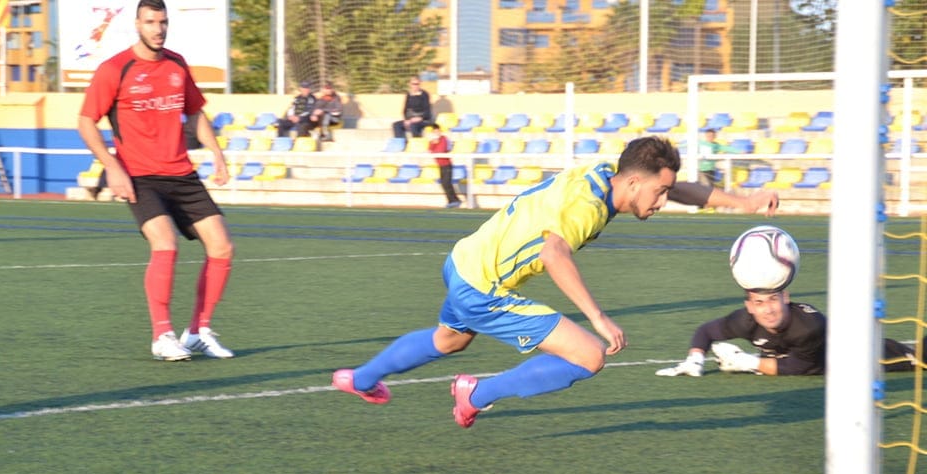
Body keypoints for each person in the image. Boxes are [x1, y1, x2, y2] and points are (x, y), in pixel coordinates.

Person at [331, 136, 775, 428]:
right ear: (635, 182)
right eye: (658, 193)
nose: (662, 201)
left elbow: (682, 189)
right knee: (588, 355)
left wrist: (745, 202)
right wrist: (598, 317)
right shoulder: (589, 208)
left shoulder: (606, 173)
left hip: (465, 258)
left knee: (449, 340)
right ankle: (475, 392)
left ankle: (362, 378)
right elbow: (554, 253)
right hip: (485, 287)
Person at [78, 0, 236, 362]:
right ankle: (162, 334)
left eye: (163, 22)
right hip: (140, 175)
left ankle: (198, 332)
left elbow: (194, 113)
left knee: (223, 247)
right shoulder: (115, 68)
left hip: (182, 174)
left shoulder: (177, 64)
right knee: (165, 244)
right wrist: (111, 167)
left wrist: (217, 154)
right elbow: (86, 121)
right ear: (137, 24)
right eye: (150, 22)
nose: (158, 29)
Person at [655, 289, 919, 376]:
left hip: (857, 354)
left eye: (773, 300)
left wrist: (748, 362)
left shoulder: (808, 326)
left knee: (918, 359)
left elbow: (799, 367)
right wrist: (695, 359)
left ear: (786, 299)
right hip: (814, 361)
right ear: (750, 306)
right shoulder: (745, 320)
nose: (767, 310)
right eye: (759, 303)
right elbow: (707, 330)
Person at [426, 123, 461, 209]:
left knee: (446, 183)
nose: (436, 133)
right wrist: (434, 143)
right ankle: (453, 201)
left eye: (437, 131)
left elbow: (441, 150)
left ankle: (454, 200)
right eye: (434, 132)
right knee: (444, 183)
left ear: (440, 131)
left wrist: (435, 145)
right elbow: (429, 150)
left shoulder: (444, 139)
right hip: (440, 165)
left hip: (447, 165)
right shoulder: (433, 141)